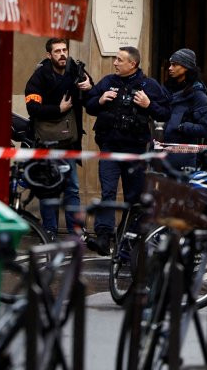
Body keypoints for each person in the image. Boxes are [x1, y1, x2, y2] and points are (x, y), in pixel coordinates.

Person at [85, 46, 169, 254]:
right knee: (108, 192)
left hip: (135, 151)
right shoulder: (108, 82)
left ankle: (126, 239)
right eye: (115, 58)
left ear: (133, 64)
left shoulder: (148, 85)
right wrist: (100, 100)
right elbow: (89, 105)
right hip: (110, 147)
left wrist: (149, 104)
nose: (115, 62)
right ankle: (104, 237)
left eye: (119, 59)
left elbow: (165, 112)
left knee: (134, 198)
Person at [23, 38, 93, 236]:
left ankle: (75, 230)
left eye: (64, 50)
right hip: (47, 142)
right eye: (57, 51)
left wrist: (89, 86)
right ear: (49, 55)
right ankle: (50, 230)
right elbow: (33, 107)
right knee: (48, 188)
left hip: (69, 142)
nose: (62, 54)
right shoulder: (39, 76)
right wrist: (58, 109)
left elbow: (91, 91)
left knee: (72, 187)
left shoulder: (76, 70)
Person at [161, 48, 207, 170]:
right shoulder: (166, 90)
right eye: (170, 64)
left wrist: (182, 127)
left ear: (185, 67)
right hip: (161, 154)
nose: (170, 68)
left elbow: (205, 127)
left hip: (183, 158)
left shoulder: (198, 95)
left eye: (174, 65)